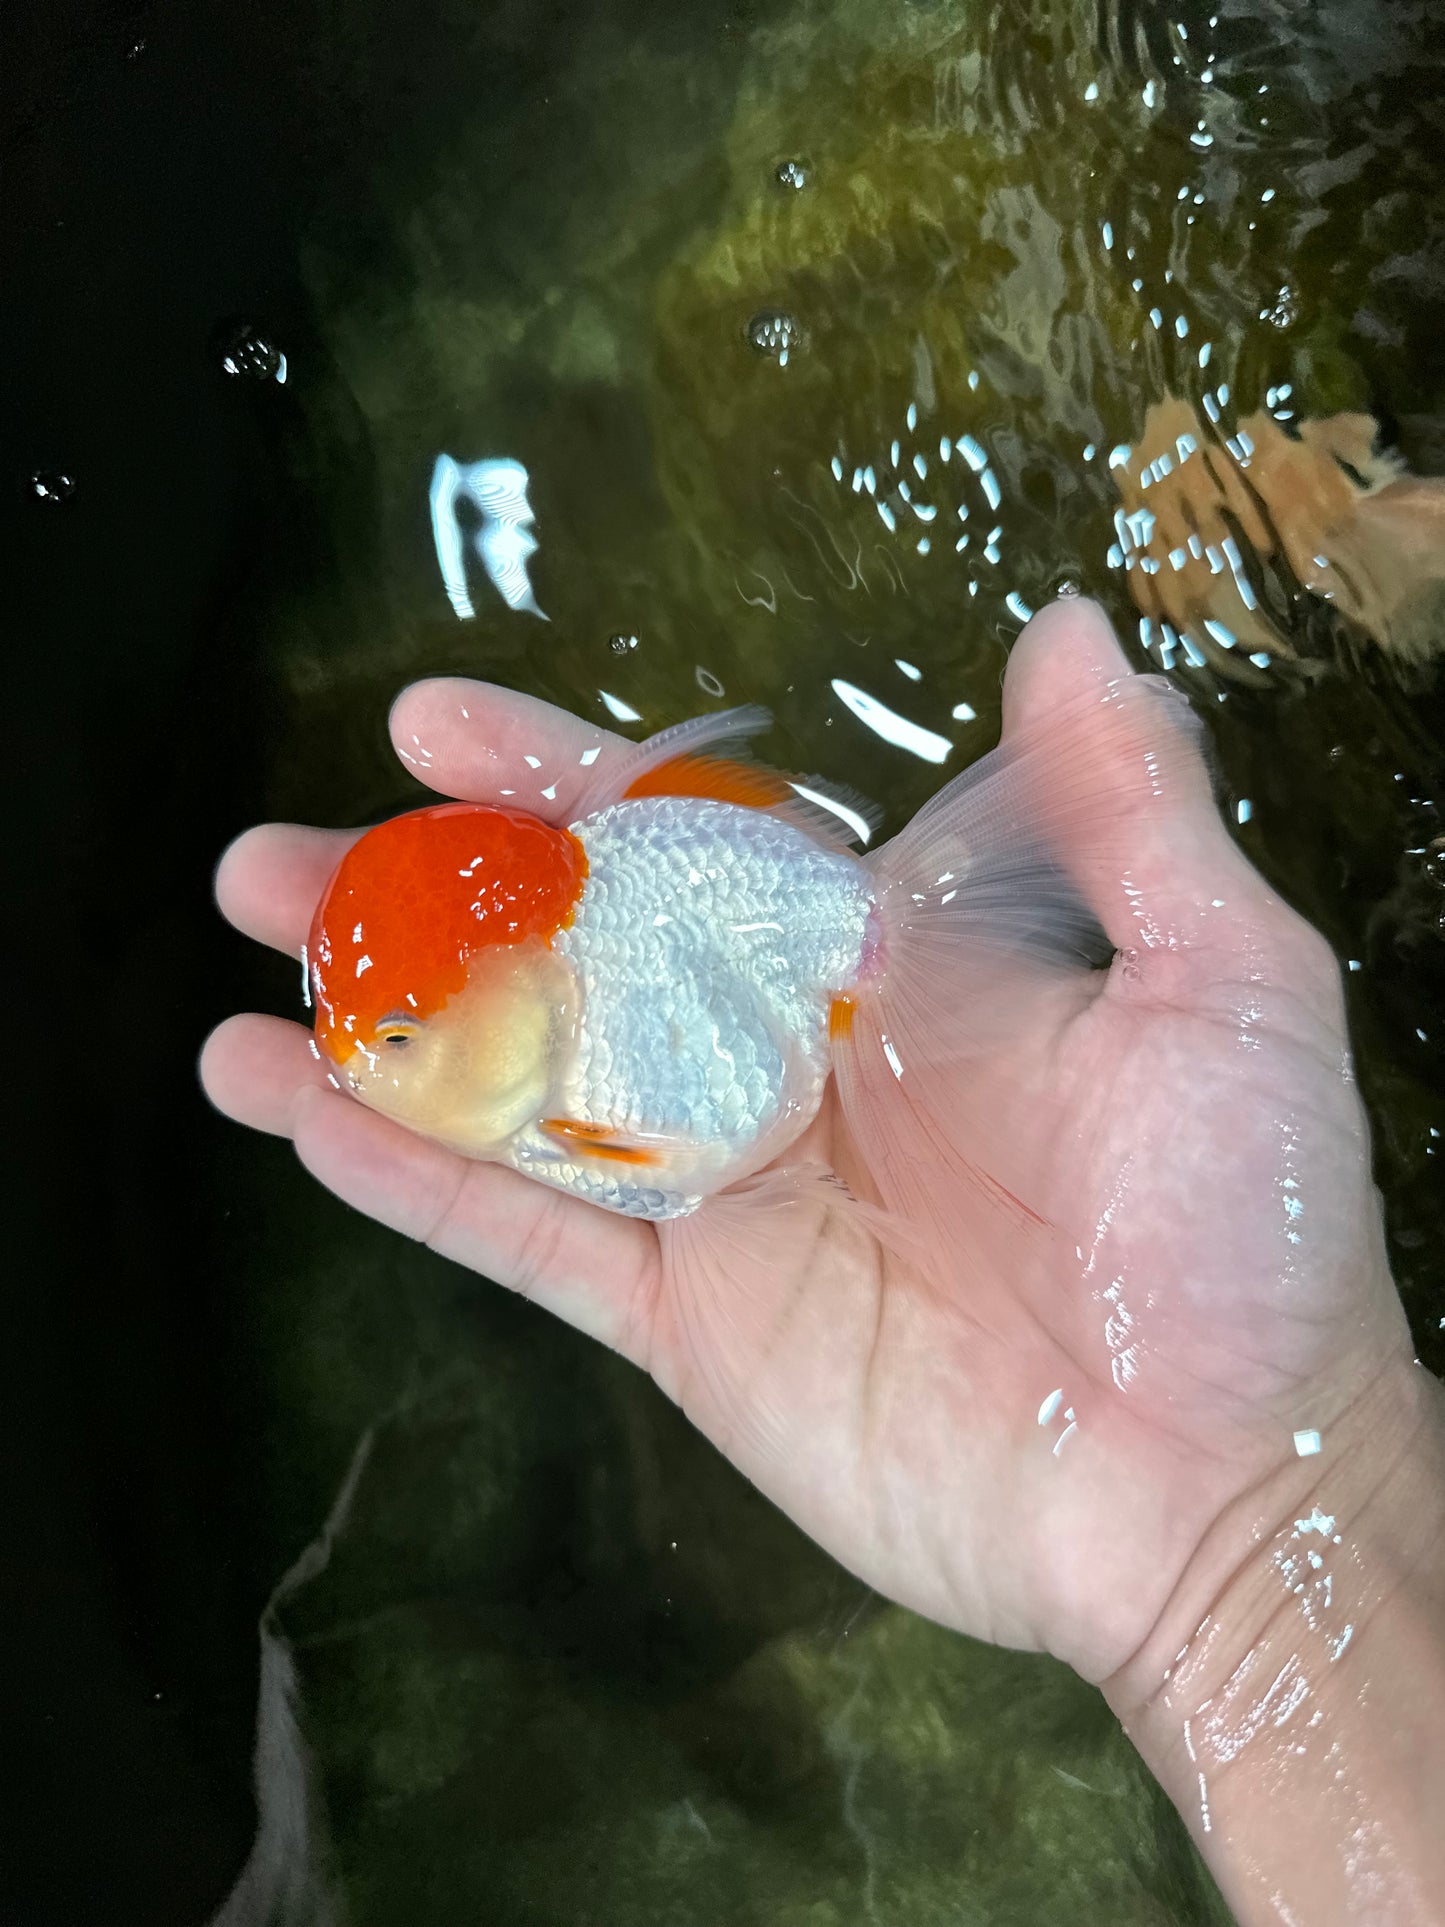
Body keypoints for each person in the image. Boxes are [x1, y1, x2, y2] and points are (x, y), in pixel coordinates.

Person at [201, 598, 1445, 1924]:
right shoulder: (555, 1036)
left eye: (388, 1038)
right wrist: (1264, 1546)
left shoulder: (613, 1014)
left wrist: (1256, 1532)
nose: (351, 1055)